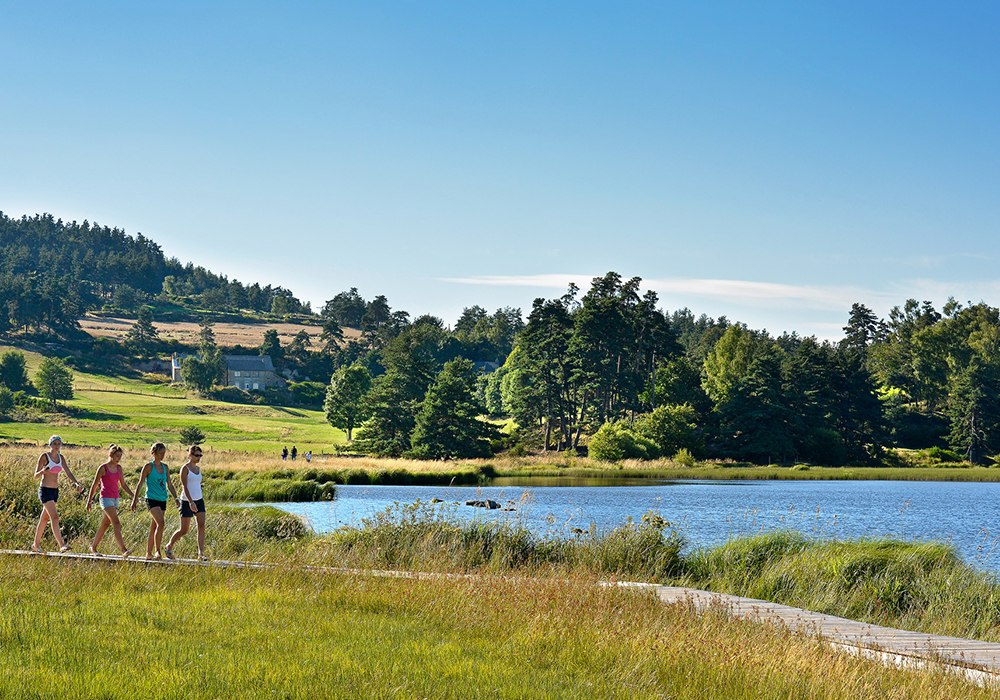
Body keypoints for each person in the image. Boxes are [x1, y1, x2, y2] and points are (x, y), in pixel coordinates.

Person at [31, 435, 84, 553]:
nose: (57, 446)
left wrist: (76, 483)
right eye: (54, 443)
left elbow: (68, 472)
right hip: (45, 490)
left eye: (59, 444)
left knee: (44, 518)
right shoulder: (44, 456)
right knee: (54, 517)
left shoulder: (61, 458)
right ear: (50, 444)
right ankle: (62, 545)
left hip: (55, 491)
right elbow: (36, 475)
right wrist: (43, 471)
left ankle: (35, 545)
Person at [129, 442, 181, 560]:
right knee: (161, 523)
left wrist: (176, 498)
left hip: (162, 499)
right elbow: (140, 483)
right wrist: (134, 499)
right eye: (160, 453)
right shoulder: (148, 467)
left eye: (164, 453)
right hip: (151, 499)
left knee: (155, 526)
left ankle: (148, 553)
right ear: (154, 453)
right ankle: (157, 551)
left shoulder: (165, 467)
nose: (162, 455)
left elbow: (170, 484)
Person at [86, 444, 135, 558]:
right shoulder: (103, 468)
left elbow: (123, 484)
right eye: (117, 456)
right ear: (110, 455)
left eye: (120, 456)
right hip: (105, 498)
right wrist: (89, 501)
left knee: (105, 524)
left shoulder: (119, 468)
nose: (119, 459)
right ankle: (124, 550)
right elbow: (95, 485)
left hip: (115, 498)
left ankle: (93, 547)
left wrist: (133, 496)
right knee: (116, 523)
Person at [165, 445, 208, 561]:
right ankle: (169, 545)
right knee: (184, 530)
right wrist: (191, 502)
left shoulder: (198, 468)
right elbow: (184, 486)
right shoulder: (185, 468)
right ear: (190, 455)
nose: (199, 457)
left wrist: (196, 500)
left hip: (199, 500)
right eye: (196, 455)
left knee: (202, 526)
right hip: (187, 501)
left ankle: (201, 553)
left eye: (200, 455)